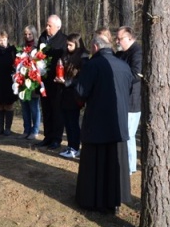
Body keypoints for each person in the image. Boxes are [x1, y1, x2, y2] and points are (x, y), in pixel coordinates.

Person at [74, 35, 133, 213]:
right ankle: (115, 199)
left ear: (95, 47)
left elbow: (81, 92)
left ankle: (93, 200)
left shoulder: (92, 65)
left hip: (97, 122)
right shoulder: (124, 65)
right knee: (114, 163)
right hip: (119, 122)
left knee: (96, 163)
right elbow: (129, 90)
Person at [35, 15, 68, 150]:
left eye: (50, 26)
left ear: (58, 27)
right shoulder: (42, 37)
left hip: (56, 82)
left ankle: (56, 138)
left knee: (56, 111)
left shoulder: (63, 40)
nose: (47, 27)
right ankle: (47, 137)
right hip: (43, 81)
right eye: (46, 25)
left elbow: (65, 60)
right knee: (46, 109)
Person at [55, 33, 89, 159]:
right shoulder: (65, 55)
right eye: (67, 44)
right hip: (64, 93)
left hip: (74, 95)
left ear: (77, 44)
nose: (68, 47)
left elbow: (82, 78)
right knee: (67, 122)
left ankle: (75, 147)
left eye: (70, 45)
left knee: (73, 122)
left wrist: (67, 82)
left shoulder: (83, 58)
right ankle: (71, 146)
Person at [115, 26, 142, 174]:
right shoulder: (120, 53)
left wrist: (118, 80)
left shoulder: (137, 52)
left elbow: (136, 74)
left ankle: (130, 166)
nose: (117, 41)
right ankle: (122, 163)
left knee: (129, 135)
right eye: (116, 38)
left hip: (132, 100)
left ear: (130, 38)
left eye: (120, 38)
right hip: (122, 98)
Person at [18, 25, 42, 140]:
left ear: (34, 34)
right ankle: (26, 129)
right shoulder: (21, 47)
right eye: (25, 34)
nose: (27, 36)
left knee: (34, 107)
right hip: (22, 81)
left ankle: (35, 130)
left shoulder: (38, 47)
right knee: (24, 107)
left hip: (33, 81)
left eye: (30, 34)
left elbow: (41, 64)